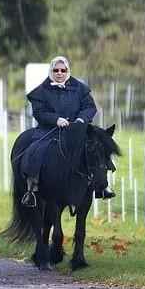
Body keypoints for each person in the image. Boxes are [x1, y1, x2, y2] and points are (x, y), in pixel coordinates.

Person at [21, 56, 116, 207]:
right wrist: (56, 120)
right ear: (51, 71)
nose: (59, 73)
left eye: (63, 70)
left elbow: (90, 107)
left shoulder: (79, 88)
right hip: (49, 131)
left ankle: (102, 186)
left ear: (67, 71)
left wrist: (81, 120)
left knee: (98, 149)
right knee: (36, 152)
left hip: (77, 131)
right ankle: (31, 189)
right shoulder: (41, 90)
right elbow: (39, 112)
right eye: (56, 70)